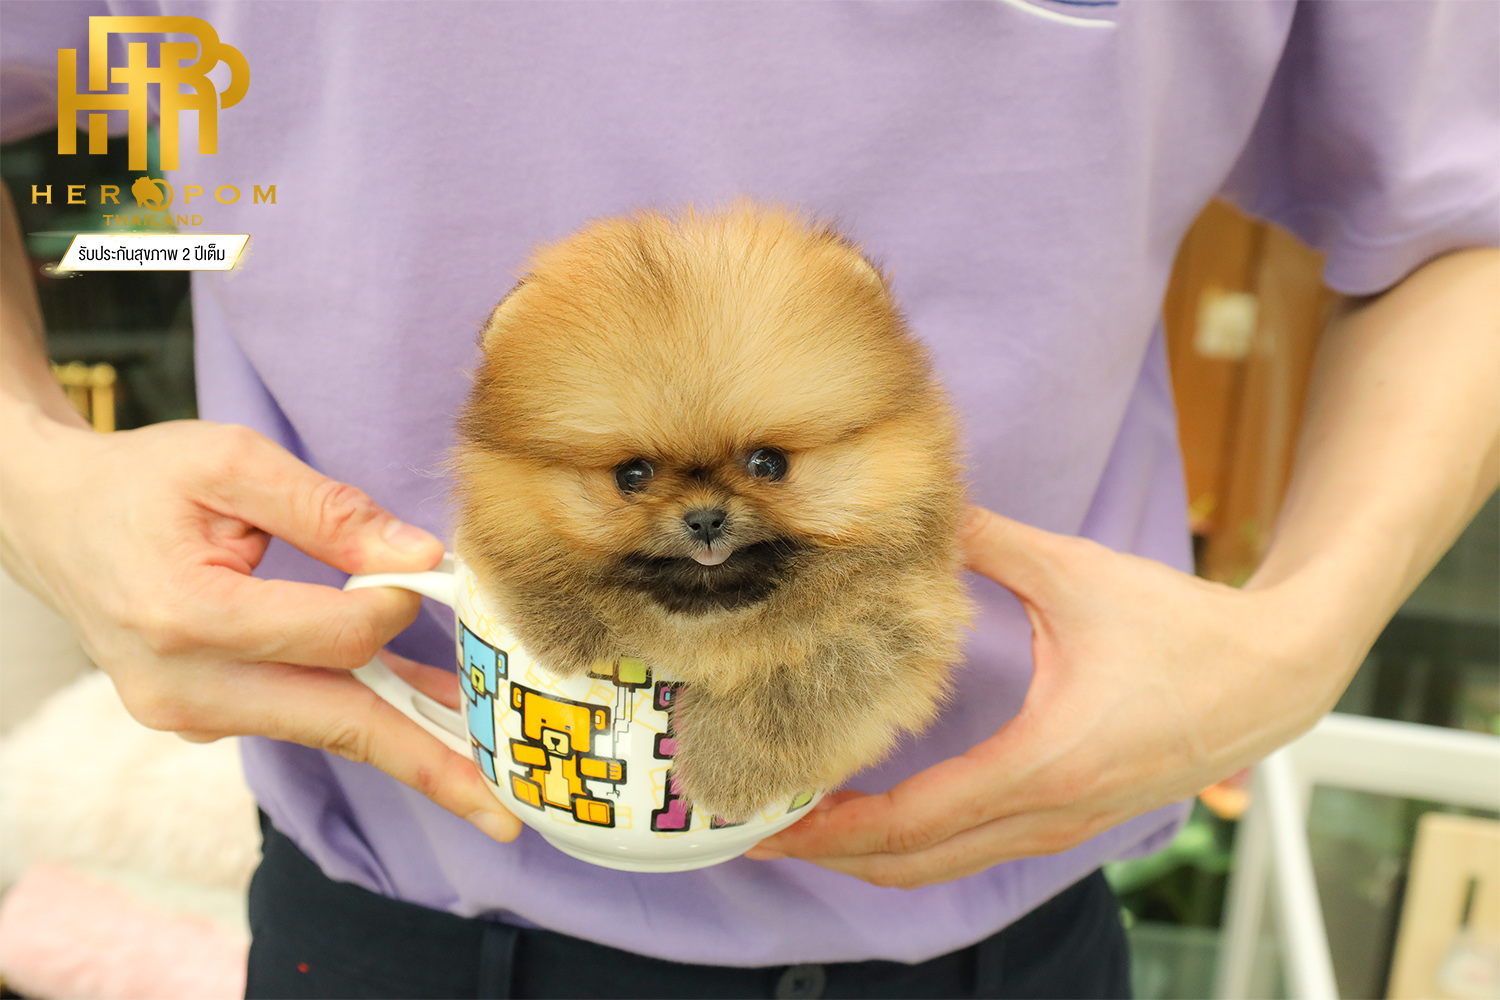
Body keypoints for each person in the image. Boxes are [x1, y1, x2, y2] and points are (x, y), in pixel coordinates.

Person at [1, 2, 1496, 997]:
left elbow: (1463, 219)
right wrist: (34, 468)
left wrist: (1309, 628)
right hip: (405, 928)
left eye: (762, 471)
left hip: (1016, 935)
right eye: (645, 481)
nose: (708, 517)